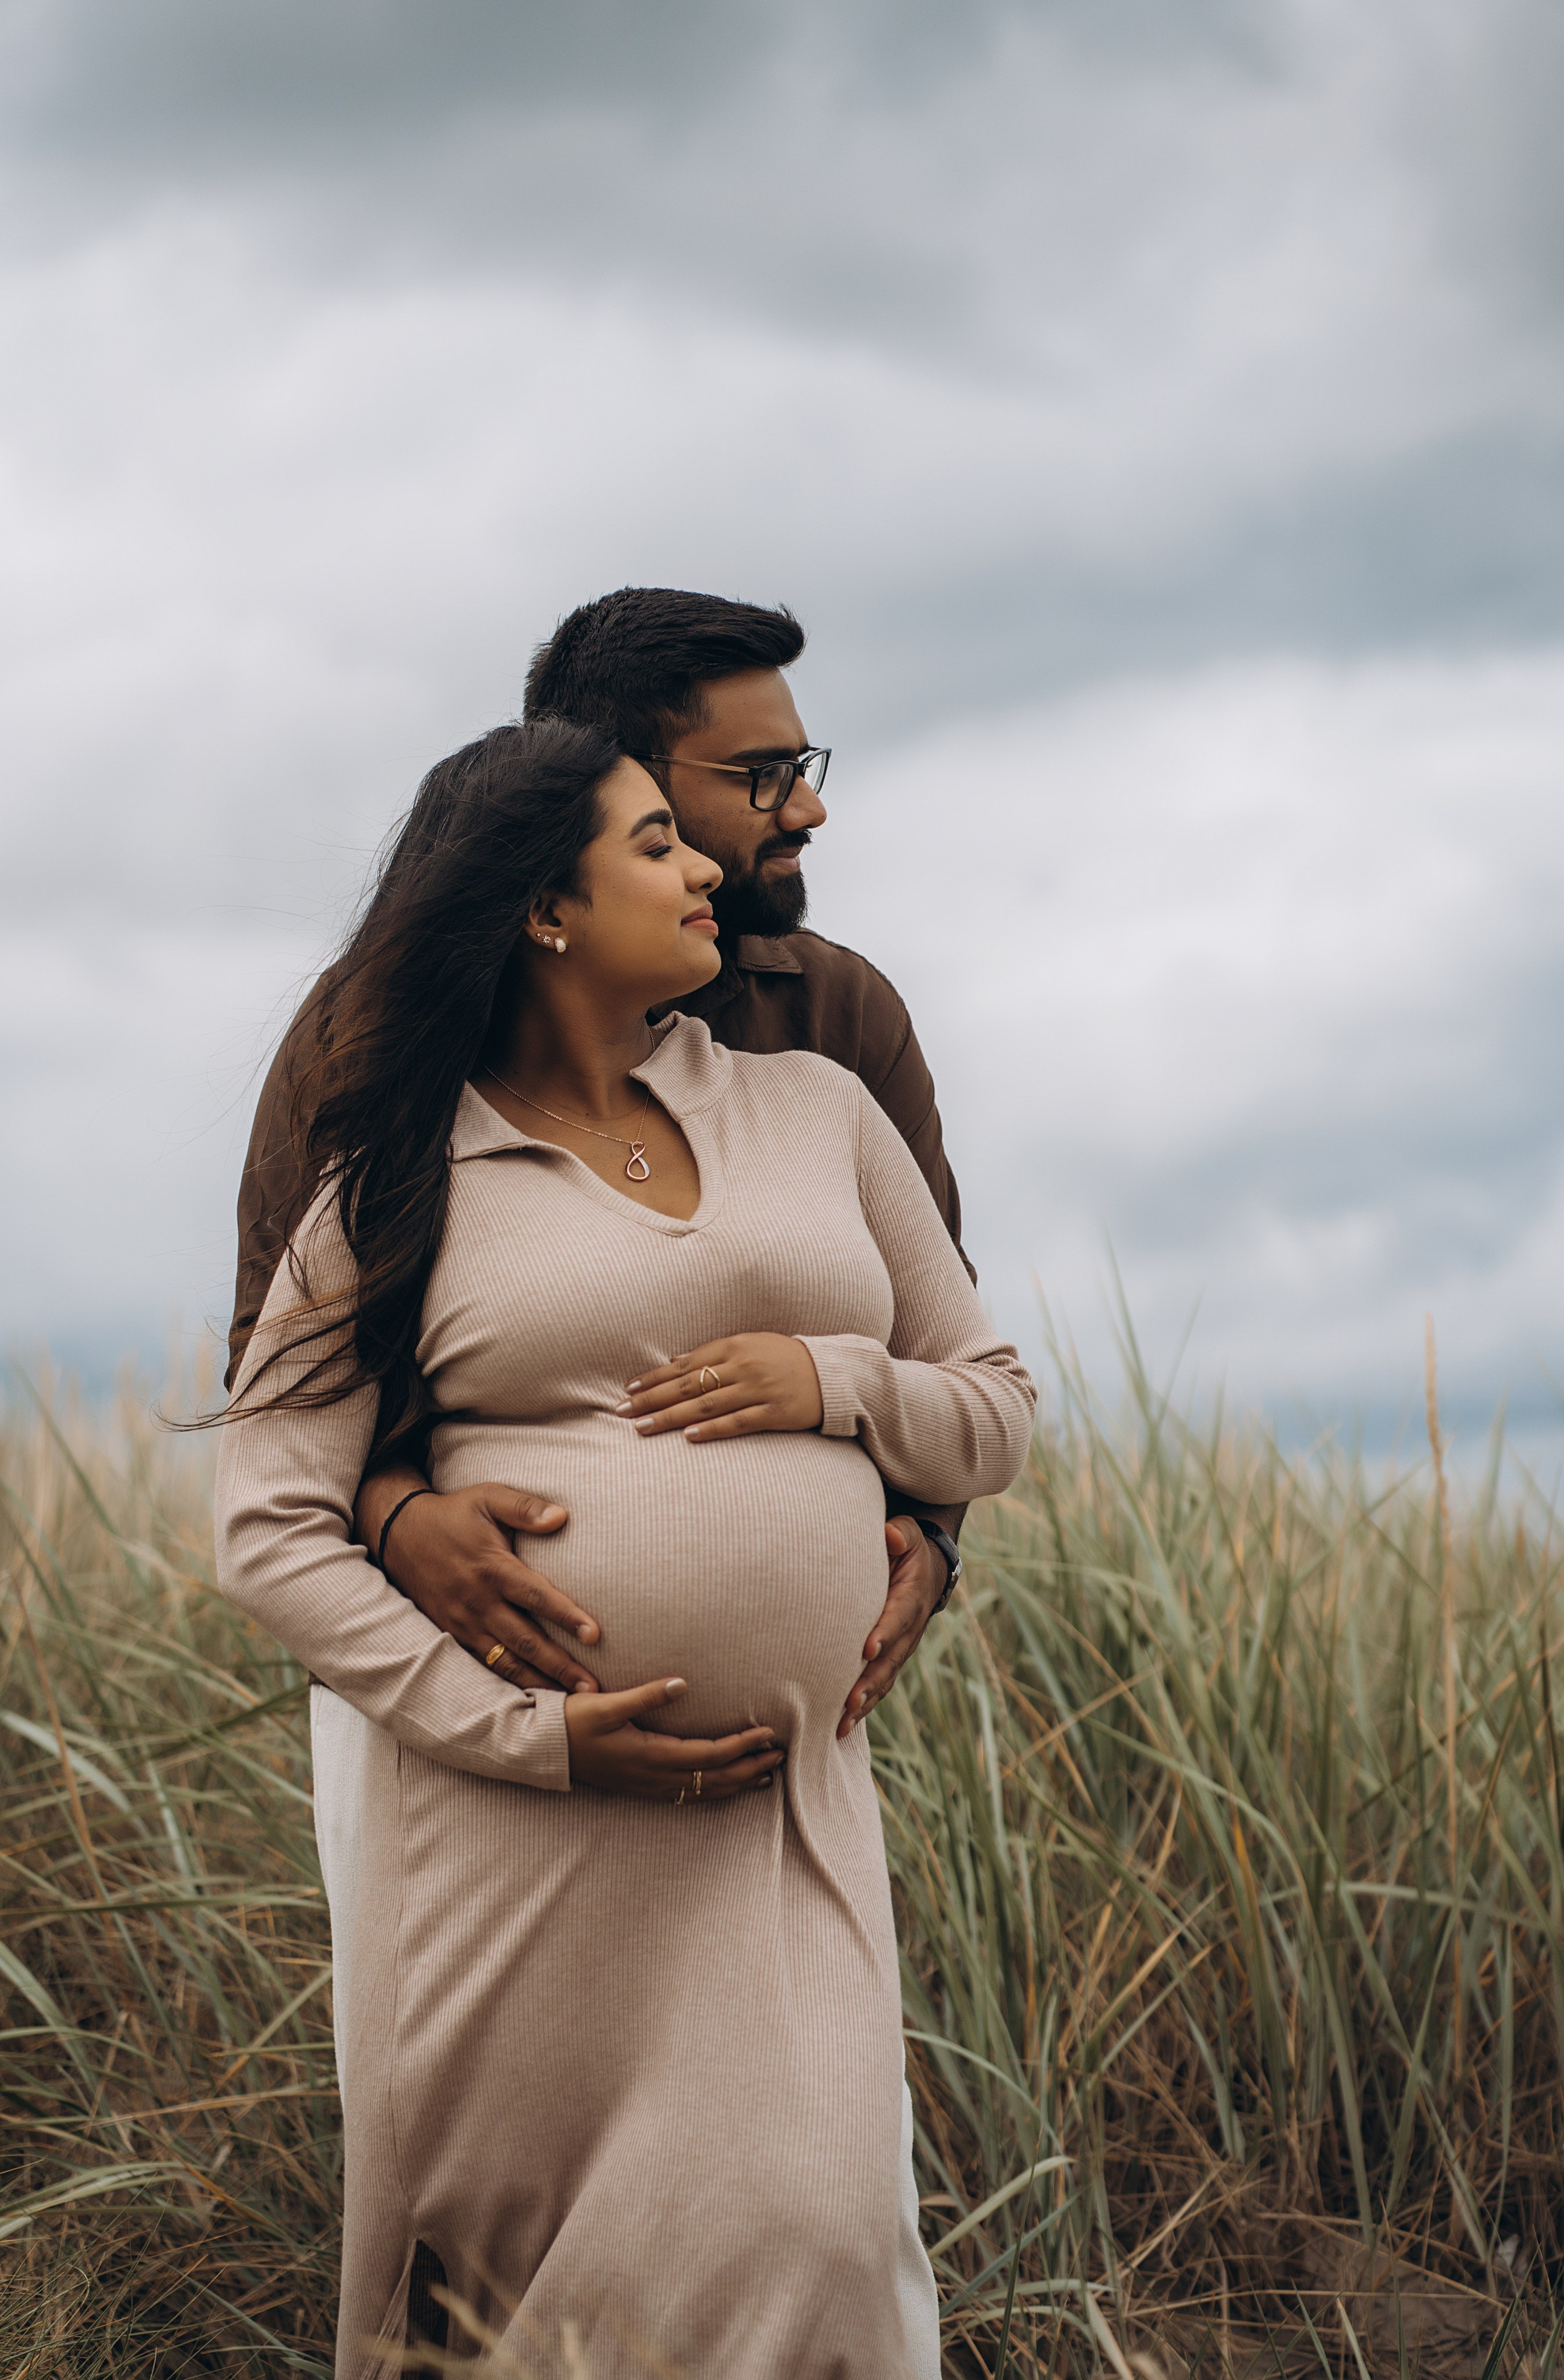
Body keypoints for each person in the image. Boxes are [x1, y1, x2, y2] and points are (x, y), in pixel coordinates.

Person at [213, 716, 1035, 2376]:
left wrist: (833, 1381)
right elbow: (267, 1529)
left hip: (781, 1813)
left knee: (815, 2235)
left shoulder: (814, 1108)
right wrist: (526, 1737)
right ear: (544, 911)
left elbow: (997, 1407)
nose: (705, 865)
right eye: (655, 841)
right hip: (522, 1835)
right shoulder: (391, 1171)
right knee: (519, 2300)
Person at [230, 591, 967, 1734]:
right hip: (454, 1695)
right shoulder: (376, 1031)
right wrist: (392, 1517)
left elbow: (944, 1346)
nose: (808, 807)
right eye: (762, 774)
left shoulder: (839, 1023)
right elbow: (277, 1370)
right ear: (607, 780)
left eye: (804, 764)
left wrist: (928, 1538)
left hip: (799, 1737)